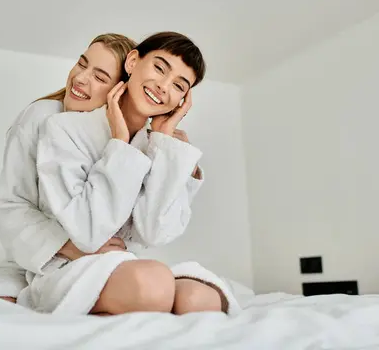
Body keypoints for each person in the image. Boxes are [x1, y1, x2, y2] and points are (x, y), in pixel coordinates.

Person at [20, 32, 239, 316]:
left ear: (182, 101)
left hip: (124, 267)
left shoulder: (157, 146)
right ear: (133, 61)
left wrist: (163, 141)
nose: (163, 86)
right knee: (153, 283)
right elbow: (88, 233)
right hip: (66, 271)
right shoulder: (64, 129)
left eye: (178, 86)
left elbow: (154, 232)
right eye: (160, 68)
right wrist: (119, 145)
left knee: (200, 299)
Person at [0, 33, 137, 313]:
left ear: (119, 92)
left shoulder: (123, 142)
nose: (80, 78)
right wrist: (68, 247)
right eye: (81, 63)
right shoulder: (42, 116)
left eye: (100, 77)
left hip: (99, 264)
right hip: (37, 261)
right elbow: (10, 204)